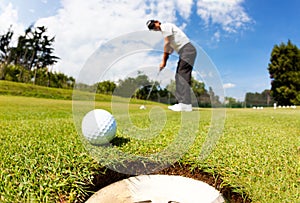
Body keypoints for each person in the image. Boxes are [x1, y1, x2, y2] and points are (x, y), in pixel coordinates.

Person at [146, 20, 197, 112]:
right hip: (185, 51)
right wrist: (167, 54)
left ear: (157, 22)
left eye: (153, 25)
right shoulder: (166, 32)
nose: (154, 28)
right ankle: (181, 103)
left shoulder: (165, 26)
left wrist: (163, 61)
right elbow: (169, 48)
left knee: (182, 75)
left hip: (187, 50)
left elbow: (167, 44)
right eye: (152, 28)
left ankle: (185, 104)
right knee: (179, 76)